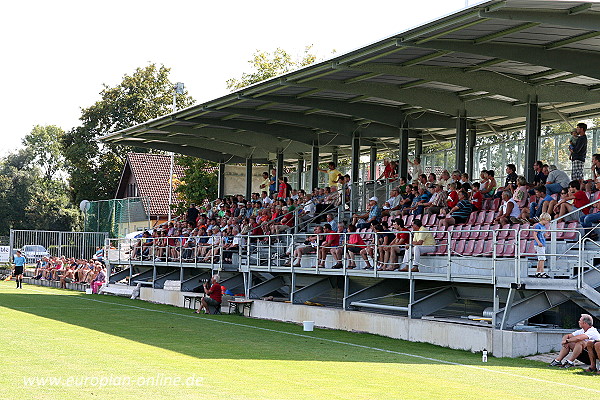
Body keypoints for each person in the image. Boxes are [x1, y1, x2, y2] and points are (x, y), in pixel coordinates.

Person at [533, 213, 551, 278]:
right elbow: (535, 235)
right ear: (543, 219)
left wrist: (546, 235)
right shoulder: (538, 226)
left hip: (543, 243)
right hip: (539, 244)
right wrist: (538, 242)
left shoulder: (543, 227)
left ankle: (538, 272)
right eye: (547, 220)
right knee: (542, 259)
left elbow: (543, 234)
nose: (547, 222)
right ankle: (542, 272)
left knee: (540, 259)